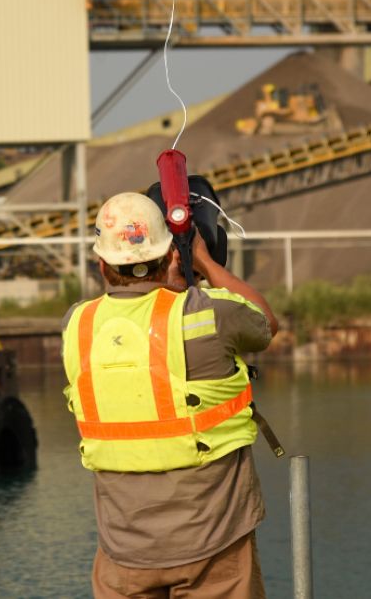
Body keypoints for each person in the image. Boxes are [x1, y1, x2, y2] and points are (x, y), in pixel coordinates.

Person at [62, 191, 279, 599]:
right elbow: (265, 322)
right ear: (172, 255)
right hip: (213, 545)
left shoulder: (77, 325)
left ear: (101, 263)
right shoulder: (208, 313)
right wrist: (205, 263)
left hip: (123, 553)